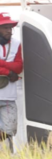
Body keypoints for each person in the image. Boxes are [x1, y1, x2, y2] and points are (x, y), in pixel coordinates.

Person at [0, 13, 23, 142]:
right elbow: (14, 69)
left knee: (10, 130)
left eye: (10, 28)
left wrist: (1, 63)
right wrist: (8, 72)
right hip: (7, 86)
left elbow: (19, 67)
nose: (9, 31)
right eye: (5, 28)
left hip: (8, 96)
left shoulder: (16, 43)